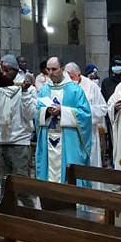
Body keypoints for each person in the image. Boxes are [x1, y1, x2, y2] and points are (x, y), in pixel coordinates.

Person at [35, 56, 92, 184]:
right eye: (48, 69)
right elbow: (36, 114)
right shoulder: (44, 90)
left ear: (62, 69)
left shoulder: (74, 90)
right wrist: (46, 112)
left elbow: (85, 115)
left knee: (70, 175)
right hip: (47, 138)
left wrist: (63, 111)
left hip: (69, 140)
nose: (50, 73)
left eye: (54, 69)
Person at [0, 55, 36, 196]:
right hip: (2, 140)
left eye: (7, 70)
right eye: (1, 71)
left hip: (20, 141)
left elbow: (30, 114)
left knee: (21, 183)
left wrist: (25, 93)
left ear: (15, 70)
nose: (4, 74)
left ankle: (25, 212)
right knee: (4, 183)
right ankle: (8, 213)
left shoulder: (27, 88)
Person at [66, 62, 108, 173]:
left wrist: (84, 112)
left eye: (71, 76)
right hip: (70, 133)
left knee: (90, 166)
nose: (69, 79)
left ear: (78, 74)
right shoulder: (64, 87)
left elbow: (103, 108)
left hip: (89, 133)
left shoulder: (91, 86)